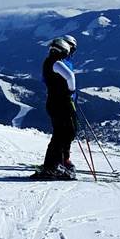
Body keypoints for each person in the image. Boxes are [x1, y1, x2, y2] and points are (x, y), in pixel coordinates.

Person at [33, 35, 78, 180]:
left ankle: (53, 165)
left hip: (53, 102)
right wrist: (71, 91)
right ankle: (53, 166)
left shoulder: (48, 62)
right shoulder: (56, 62)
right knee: (63, 134)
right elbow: (70, 76)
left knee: (59, 134)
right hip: (61, 103)